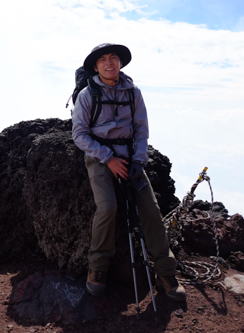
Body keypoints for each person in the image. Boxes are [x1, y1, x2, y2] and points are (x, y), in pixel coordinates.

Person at [72, 43, 186, 301]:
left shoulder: (133, 93)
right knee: (107, 208)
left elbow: (141, 131)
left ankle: (166, 273)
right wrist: (109, 158)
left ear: (120, 63)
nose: (109, 63)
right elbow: (79, 135)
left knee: (152, 212)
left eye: (113, 58)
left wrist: (138, 160)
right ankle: (97, 269)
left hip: (130, 160)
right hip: (99, 159)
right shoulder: (88, 95)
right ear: (96, 66)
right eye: (103, 60)